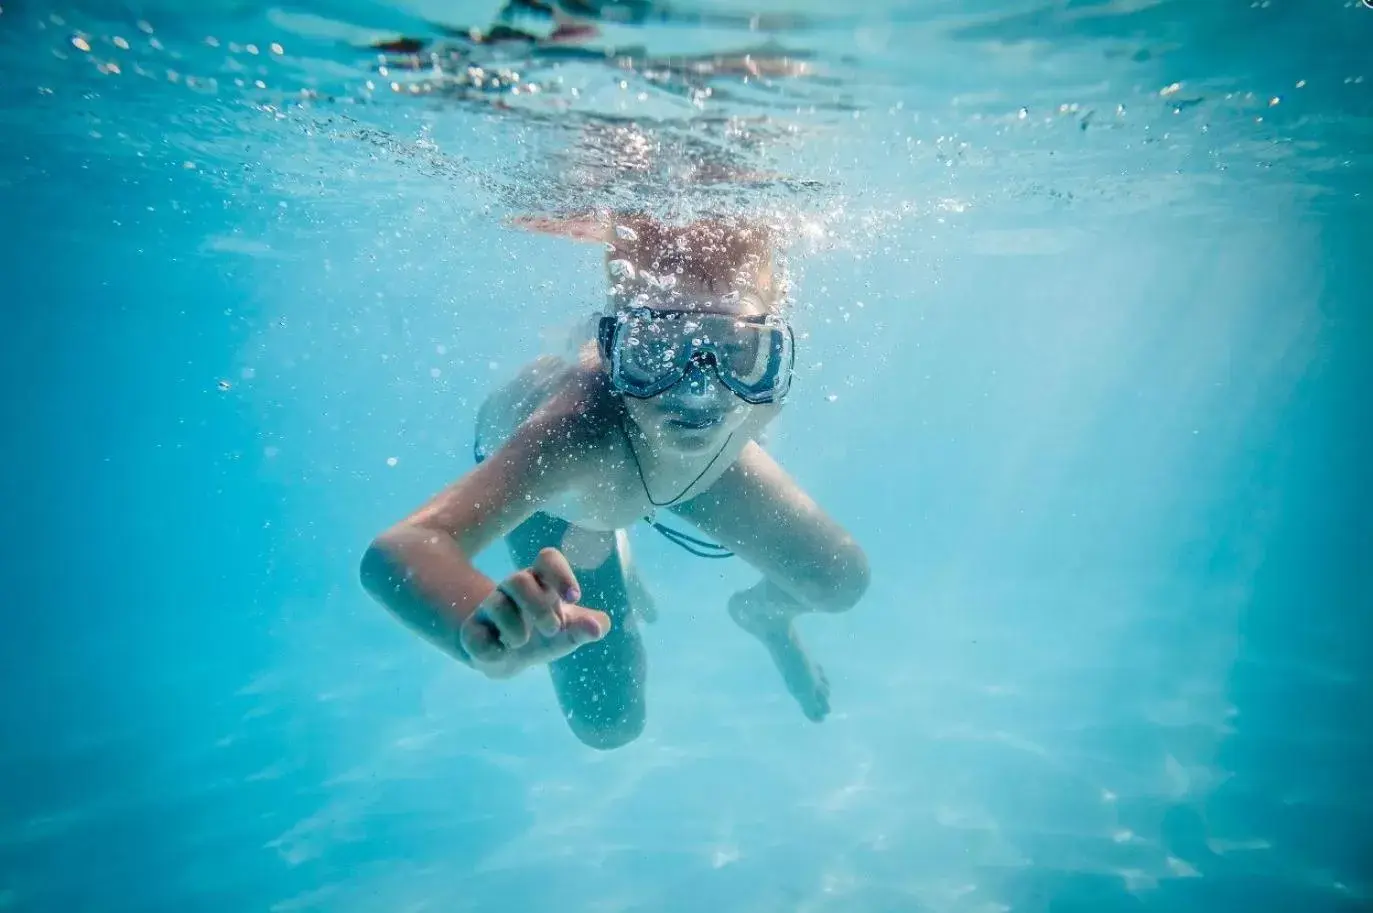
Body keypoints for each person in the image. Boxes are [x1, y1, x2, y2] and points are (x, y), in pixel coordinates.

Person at [359, 211, 869, 750]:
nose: (698, 394)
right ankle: (603, 536)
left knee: (839, 579)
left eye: (738, 352)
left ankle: (761, 615)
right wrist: (478, 625)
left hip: (652, 471)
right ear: (611, 350)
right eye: (655, 350)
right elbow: (400, 547)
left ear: (771, 344)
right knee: (608, 722)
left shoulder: (749, 397)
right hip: (566, 498)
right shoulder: (573, 436)